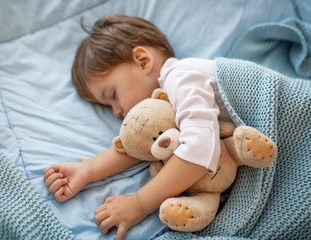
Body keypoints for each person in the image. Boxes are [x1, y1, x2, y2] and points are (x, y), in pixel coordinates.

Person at [43, 14, 231, 240]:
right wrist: (88, 169)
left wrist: (139, 203)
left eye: (112, 95)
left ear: (142, 60)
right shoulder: (166, 107)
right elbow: (144, 141)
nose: (116, 112)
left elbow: (199, 149)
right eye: (107, 106)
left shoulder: (182, 77)